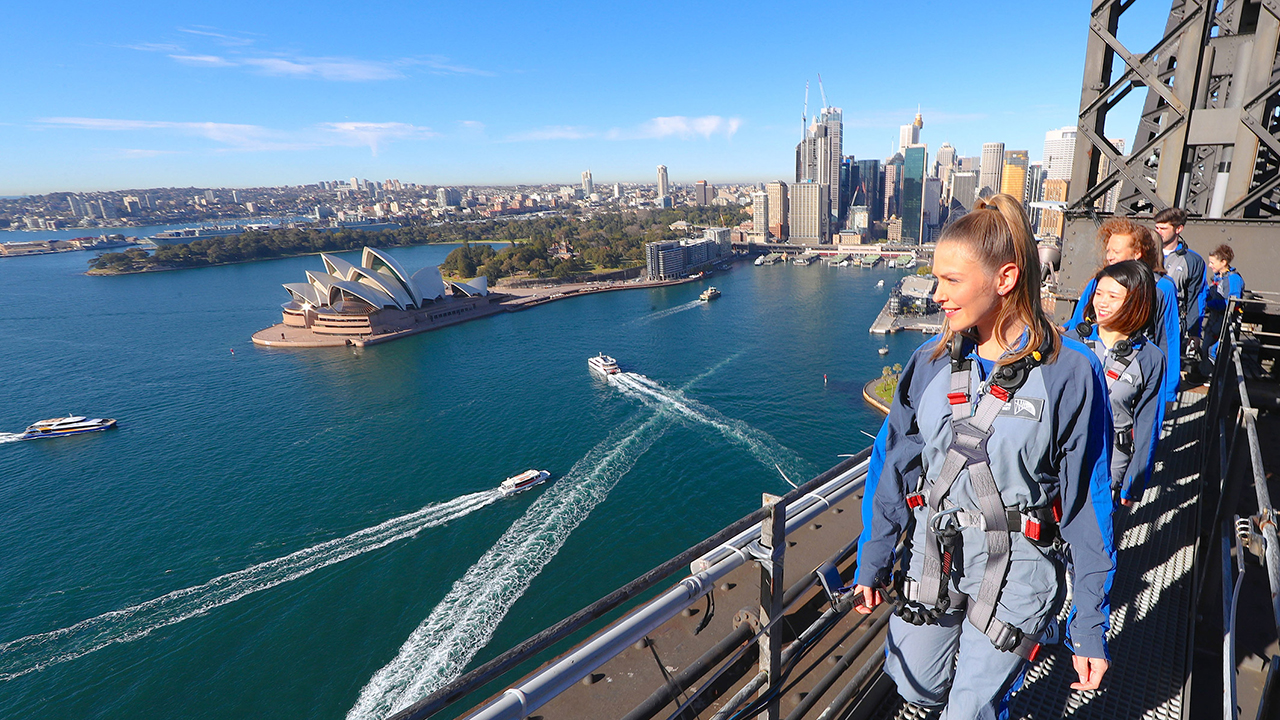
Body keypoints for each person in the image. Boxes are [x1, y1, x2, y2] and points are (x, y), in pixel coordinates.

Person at [853, 194, 1115, 718]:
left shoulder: (1070, 372)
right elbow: (894, 464)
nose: (937, 294)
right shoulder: (929, 364)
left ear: (1006, 277)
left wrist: (1089, 623)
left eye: (952, 280)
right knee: (917, 682)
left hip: (1018, 561)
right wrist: (873, 559)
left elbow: (1087, 499)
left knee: (970, 708)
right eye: (937, 278)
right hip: (936, 550)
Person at [1072, 261, 1165, 507]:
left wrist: (1135, 483)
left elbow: (1148, 425)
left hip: (1109, 466)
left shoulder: (1150, 358)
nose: (1101, 302)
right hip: (1064, 461)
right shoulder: (1069, 343)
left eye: (1113, 296)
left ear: (1136, 302)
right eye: (1099, 294)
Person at [1065, 218, 1180, 404]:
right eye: (1108, 250)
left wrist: (1167, 393)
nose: (1109, 256)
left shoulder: (1162, 288)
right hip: (1089, 368)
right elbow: (1078, 325)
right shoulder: (1097, 282)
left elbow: (1168, 339)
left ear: (1137, 253)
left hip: (1134, 376)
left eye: (1116, 251)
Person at [1154, 207, 1207, 359]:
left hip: (1172, 323)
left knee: (1167, 364)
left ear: (1179, 229)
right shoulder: (1143, 253)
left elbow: (1196, 297)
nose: (1158, 232)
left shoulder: (1192, 261)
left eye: (1163, 228)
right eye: (1156, 227)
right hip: (1144, 319)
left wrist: (1194, 333)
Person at [1202, 244, 1246, 368]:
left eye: (1212, 262)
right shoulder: (1218, 279)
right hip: (1215, 322)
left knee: (1216, 351)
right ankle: (1206, 373)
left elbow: (1232, 302)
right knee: (1206, 348)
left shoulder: (1233, 280)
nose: (1210, 265)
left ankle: (1216, 379)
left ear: (1223, 262)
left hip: (1225, 322)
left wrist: (1210, 304)